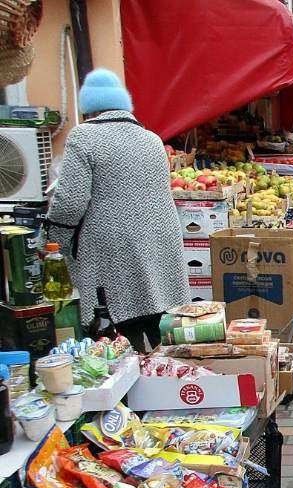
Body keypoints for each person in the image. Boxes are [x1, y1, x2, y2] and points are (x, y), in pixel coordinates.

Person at [46, 68, 190, 352]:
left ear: (89, 109)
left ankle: (129, 386)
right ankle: (171, 384)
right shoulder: (152, 140)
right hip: (160, 246)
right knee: (164, 335)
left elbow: (71, 201)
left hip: (112, 252)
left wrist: (55, 242)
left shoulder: (83, 137)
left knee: (118, 338)